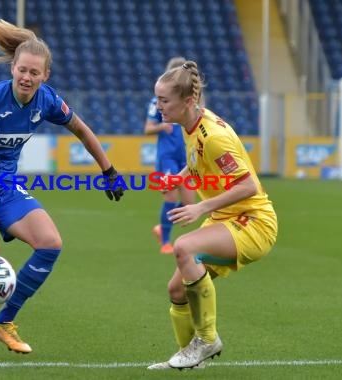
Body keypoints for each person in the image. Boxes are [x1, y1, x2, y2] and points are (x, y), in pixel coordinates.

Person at [0, 17, 124, 365]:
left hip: (7, 184)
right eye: (22, 70)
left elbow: (82, 129)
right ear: (13, 68)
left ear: (45, 75)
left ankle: (3, 322)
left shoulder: (47, 100)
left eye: (35, 72)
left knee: (50, 244)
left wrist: (108, 170)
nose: (27, 77)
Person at [146, 60, 278, 370]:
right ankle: (190, 359)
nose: (158, 106)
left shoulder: (213, 136)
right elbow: (196, 162)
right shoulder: (191, 125)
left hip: (253, 223)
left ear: (188, 100)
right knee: (176, 290)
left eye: (164, 100)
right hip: (226, 218)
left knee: (183, 248)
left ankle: (206, 341)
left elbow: (250, 185)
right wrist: (177, 180)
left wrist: (201, 206)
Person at [144, 56, 195, 255]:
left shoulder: (190, 102)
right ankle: (165, 241)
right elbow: (147, 128)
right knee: (171, 197)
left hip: (186, 157)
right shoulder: (158, 102)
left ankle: (162, 227)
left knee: (189, 204)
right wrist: (160, 126)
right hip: (167, 157)